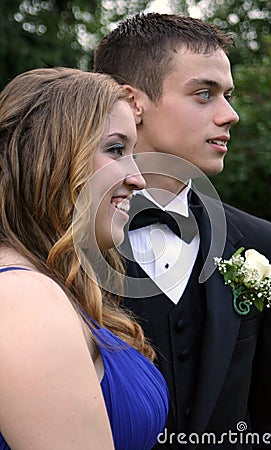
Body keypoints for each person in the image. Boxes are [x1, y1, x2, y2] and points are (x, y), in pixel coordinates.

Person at [94, 13, 271, 449]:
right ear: (134, 103)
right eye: (204, 94)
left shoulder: (262, 243)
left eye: (228, 95)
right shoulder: (59, 240)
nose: (231, 115)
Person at [0, 67, 169, 450]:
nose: (138, 178)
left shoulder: (44, 286)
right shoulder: (21, 300)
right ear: (52, 159)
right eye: (115, 149)